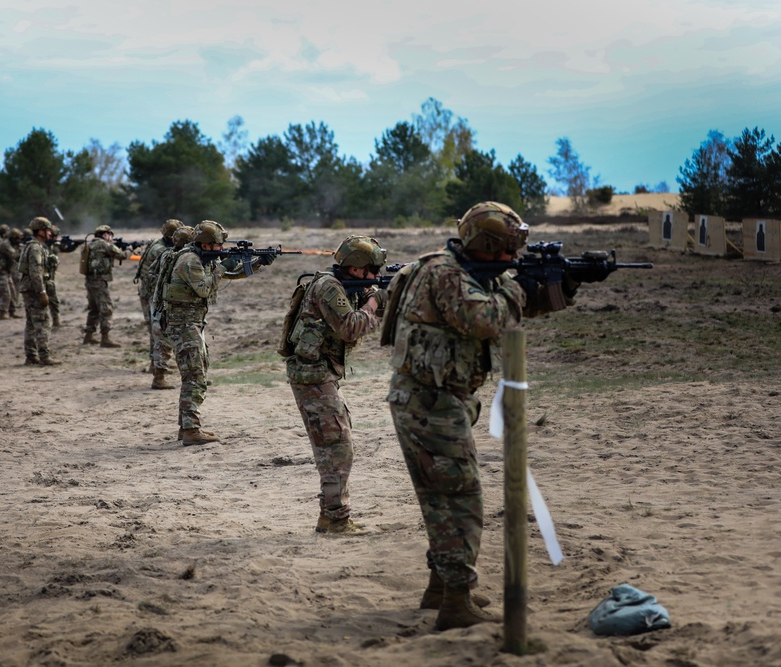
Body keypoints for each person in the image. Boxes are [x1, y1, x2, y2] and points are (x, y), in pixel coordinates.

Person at [383, 201, 578, 631]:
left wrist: (561, 285)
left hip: (431, 402)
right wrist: (518, 286)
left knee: (441, 499)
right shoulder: (446, 274)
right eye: (508, 248)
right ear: (487, 244)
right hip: (430, 405)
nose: (512, 257)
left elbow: (502, 308)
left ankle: (442, 589)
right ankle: (456, 602)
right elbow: (485, 318)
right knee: (461, 501)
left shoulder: (453, 268)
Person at [285, 235, 388, 535]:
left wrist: (377, 298)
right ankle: (335, 518)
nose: (377, 276)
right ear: (356, 269)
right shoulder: (329, 287)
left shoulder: (343, 284)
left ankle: (331, 516)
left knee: (336, 444)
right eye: (372, 270)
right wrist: (375, 301)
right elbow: (350, 327)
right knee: (336, 448)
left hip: (320, 373)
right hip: (312, 375)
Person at [154, 220, 272, 444]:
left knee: (196, 373)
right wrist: (222, 265)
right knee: (195, 377)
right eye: (218, 246)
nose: (221, 249)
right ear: (207, 245)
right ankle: (190, 430)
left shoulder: (200, 257)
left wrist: (257, 263)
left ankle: (187, 427)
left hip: (192, 323)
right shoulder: (190, 261)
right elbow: (204, 288)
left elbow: (230, 274)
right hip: (183, 325)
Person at [135, 218, 185, 388]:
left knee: (156, 331)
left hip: (150, 293)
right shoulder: (161, 250)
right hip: (152, 295)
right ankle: (157, 371)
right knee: (159, 332)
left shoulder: (160, 243)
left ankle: (156, 365)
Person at [17, 217, 60, 366]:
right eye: (47, 230)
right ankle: (44, 356)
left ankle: (31, 356)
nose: (50, 233)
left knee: (31, 323)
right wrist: (42, 292)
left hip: (29, 289)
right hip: (34, 290)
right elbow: (35, 271)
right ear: (41, 231)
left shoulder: (32, 246)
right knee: (42, 322)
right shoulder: (35, 248)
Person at [82, 224, 133, 348]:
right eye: (109, 235)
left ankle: (88, 336)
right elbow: (122, 255)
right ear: (105, 234)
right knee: (106, 309)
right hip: (99, 281)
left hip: (90, 281)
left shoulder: (91, 244)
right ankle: (105, 338)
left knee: (93, 309)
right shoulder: (103, 244)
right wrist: (130, 249)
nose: (111, 238)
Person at [0, 228, 22, 320]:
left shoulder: (12, 245)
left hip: (6, 272)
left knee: (12, 292)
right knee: (5, 293)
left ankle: (12, 312)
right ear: (13, 238)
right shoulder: (5, 244)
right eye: (17, 238)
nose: (19, 240)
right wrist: (22, 251)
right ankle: (2, 313)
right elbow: (14, 256)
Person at [46, 225, 62, 328]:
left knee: (53, 300)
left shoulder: (52, 246)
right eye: (53, 236)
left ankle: (56, 320)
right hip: (41, 278)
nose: (55, 238)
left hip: (50, 277)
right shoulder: (41, 246)